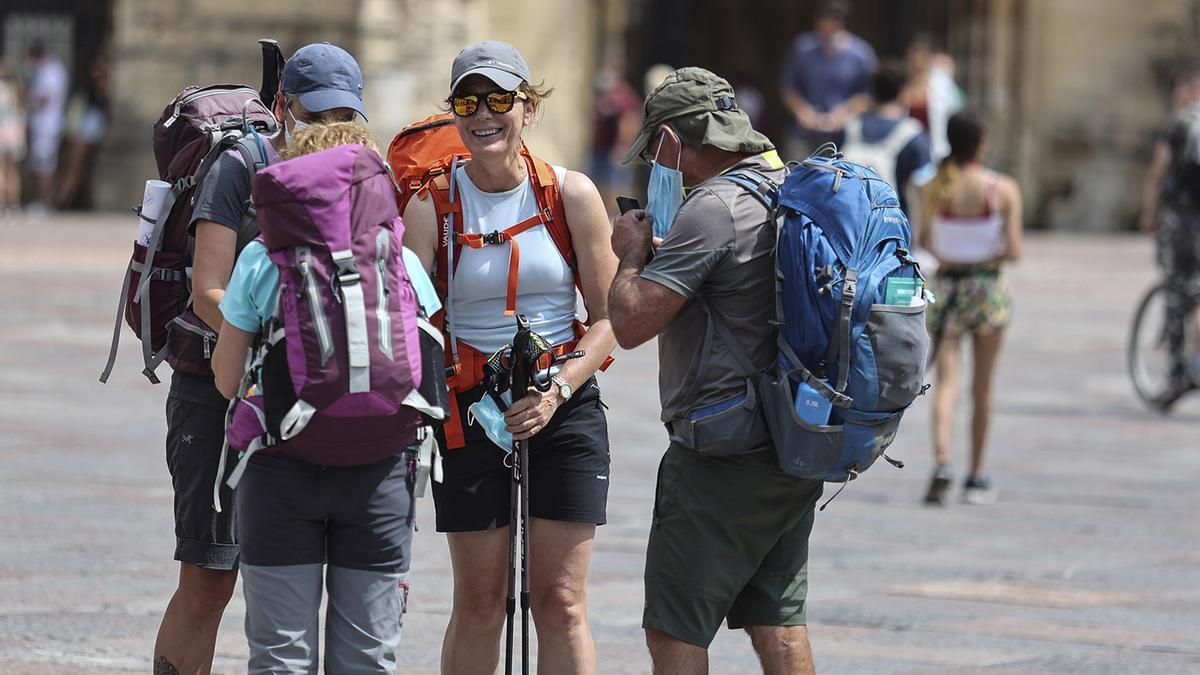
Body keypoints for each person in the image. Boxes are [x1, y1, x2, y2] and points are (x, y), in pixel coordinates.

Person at [401, 41, 618, 674]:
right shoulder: (431, 205)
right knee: (479, 602)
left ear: (527, 106)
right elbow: (416, 322)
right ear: (454, 113)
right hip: (469, 409)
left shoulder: (570, 194)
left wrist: (559, 387)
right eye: (468, 101)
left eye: (499, 99)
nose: (484, 114)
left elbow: (610, 321)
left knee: (562, 603)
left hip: (564, 404)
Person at [152, 42, 367, 675]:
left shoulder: (360, 171)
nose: (329, 129)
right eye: (315, 113)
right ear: (283, 106)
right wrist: (278, 350)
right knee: (211, 576)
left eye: (343, 115)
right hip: (216, 394)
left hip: (309, 402)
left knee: (297, 584)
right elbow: (209, 287)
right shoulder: (240, 167)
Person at [608, 66, 823, 675]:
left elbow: (630, 324)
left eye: (654, 149)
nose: (653, 163)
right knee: (776, 618)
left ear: (675, 142)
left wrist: (629, 258)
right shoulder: (785, 186)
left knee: (674, 630)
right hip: (793, 435)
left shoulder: (715, 208)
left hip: (722, 452)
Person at [211, 121, 432, 675]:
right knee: (367, 657)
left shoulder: (265, 256)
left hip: (281, 470)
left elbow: (226, 377)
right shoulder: (397, 258)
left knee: (281, 656)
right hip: (382, 473)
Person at [917, 112, 1023, 506]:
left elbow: (926, 240)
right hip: (987, 289)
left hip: (946, 289)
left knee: (946, 383)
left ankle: (942, 460)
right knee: (982, 388)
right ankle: (975, 475)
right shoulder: (1002, 188)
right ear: (982, 142)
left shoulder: (933, 186)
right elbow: (1013, 251)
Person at [1140, 65, 1200, 408]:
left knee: (1178, 290)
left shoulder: (1181, 122)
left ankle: (1178, 373)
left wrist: (1149, 212)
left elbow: (1157, 171)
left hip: (1185, 221)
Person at [779, 0, 876, 159]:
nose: (825, 28)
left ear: (841, 23)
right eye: (822, 21)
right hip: (805, 133)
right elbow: (788, 88)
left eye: (831, 22)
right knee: (793, 177)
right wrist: (802, 111)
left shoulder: (861, 54)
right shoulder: (803, 48)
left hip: (846, 135)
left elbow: (869, 95)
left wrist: (843, 114)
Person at [840, 62, 935, 217]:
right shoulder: (913, 135)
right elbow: (925, 188)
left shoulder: (850, 127)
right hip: (891, 231)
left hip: (847, 226)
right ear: (903, 93)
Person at [589, 62, 642, 215]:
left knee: (617, 188)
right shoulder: (605, 96)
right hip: (600, 150)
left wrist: (622, 147)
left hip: (616, 151)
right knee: (598, 186)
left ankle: (615, 217)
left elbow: (629, 124)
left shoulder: (625, 98)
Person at [57, 57, 110, 208]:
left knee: (77, 167)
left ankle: (65, 200)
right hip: (87, 124)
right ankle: (64, 200)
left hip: (89, 125)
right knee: (75, 167)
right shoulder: (92, 87)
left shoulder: (92, 87)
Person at [902, 35, 964, 162]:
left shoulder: (943, 86)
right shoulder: (901, 85)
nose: (916, 61)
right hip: (906, 151)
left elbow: (955, 113)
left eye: (921, 56)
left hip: (935, 152)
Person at [24, 41, 68, 213]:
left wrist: (26, 106)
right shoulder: (46, 70)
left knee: (46, 166)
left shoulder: (52, 71)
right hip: (43, 126)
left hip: (47, 126)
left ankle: (45, 203)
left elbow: (45, 98)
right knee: (42, 165)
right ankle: (44, 201)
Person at [0, 61, 23, 217]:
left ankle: (2, 204)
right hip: (15, 132)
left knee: (1, 170)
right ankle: (14, 204)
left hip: (2, 131)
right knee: (13, 171)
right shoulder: (17, 89)